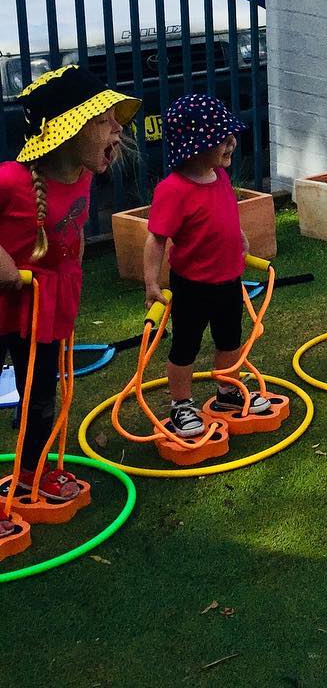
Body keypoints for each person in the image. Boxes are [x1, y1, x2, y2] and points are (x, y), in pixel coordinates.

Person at [0, 66, 139, 537]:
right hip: (5, 303)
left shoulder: (81, 175)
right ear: (66, 130)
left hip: (41, 308)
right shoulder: (11, 180)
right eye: (104, 119)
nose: (118, 127)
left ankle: (28, 477)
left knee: (41, 397)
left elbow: (66, 227)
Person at [144, 94, 269, 437]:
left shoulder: (219, 176)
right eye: (222, 138)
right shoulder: (174, 190)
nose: (232, 142)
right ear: (194, 146)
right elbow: (156, 239)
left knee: (230, 340)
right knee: (185, 346)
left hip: (229, 280)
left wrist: (239, 235)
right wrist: (152, 284)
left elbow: (223, 213)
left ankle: (228, 393)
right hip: (192, 285)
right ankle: (181, 405)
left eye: (230, 135)